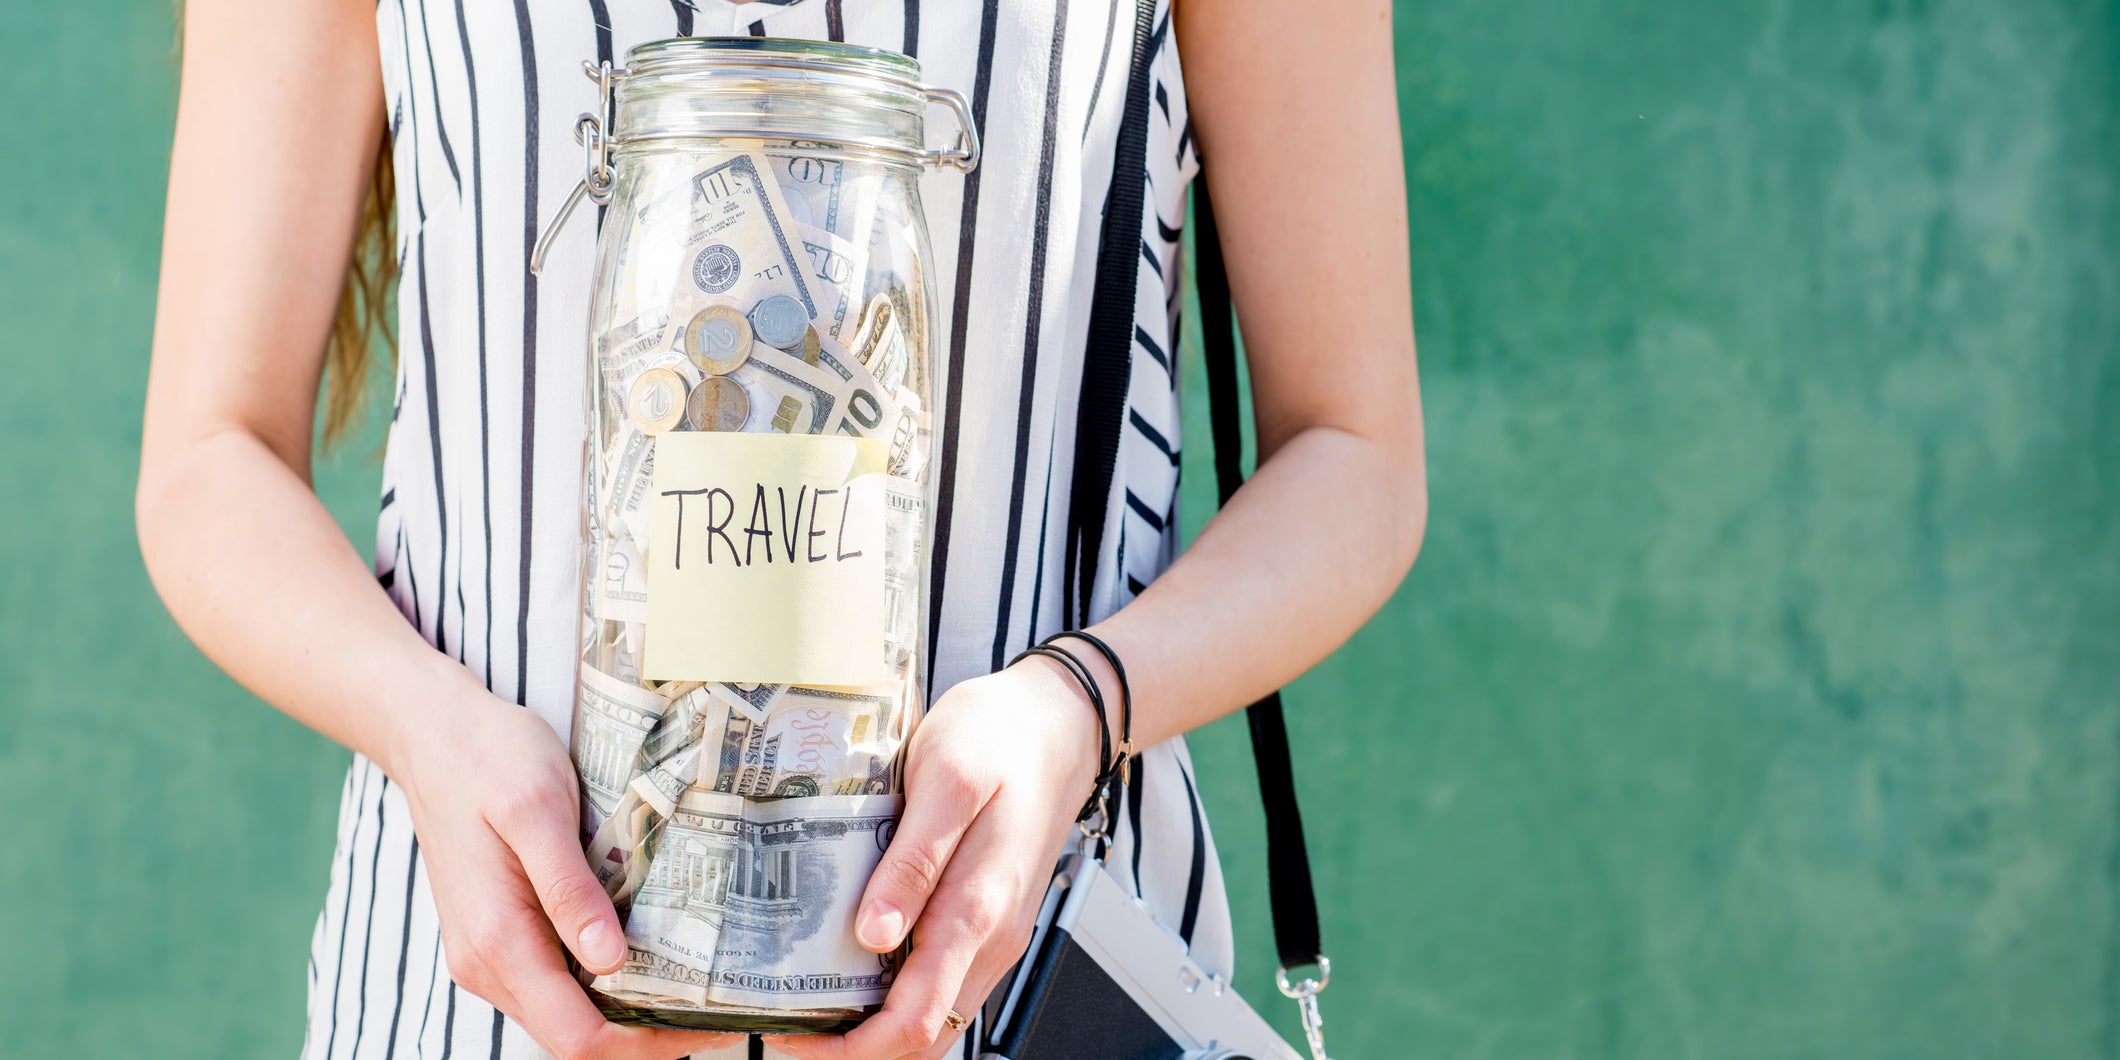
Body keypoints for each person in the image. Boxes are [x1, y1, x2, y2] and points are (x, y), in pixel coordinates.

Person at [137, 0, 1424, 1056]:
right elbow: (211, 456)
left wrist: (1073, 708)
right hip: (466, 995)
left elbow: (1352, 454)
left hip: (1031, 982)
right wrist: (425, 728)